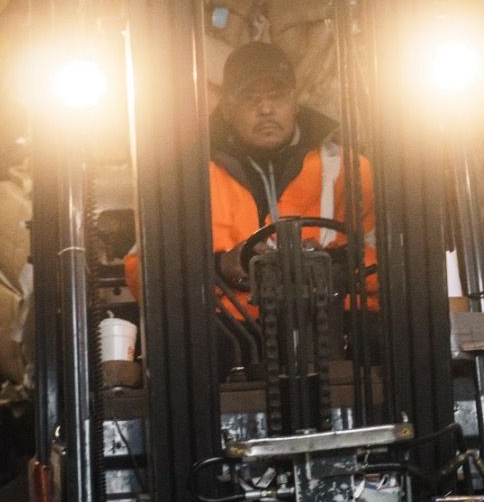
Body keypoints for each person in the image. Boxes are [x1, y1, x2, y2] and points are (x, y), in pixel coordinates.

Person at [124, 41, 376, 316]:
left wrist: (329, 264)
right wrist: (220, 267)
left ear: (295, 102)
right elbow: (142, 271)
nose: (266, 108)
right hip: (227, 340)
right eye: (250, 98)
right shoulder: (188, 180)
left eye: (276, 95)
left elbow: (396, 261)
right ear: (227, 109)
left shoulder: (348, 170)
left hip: (341, 333)